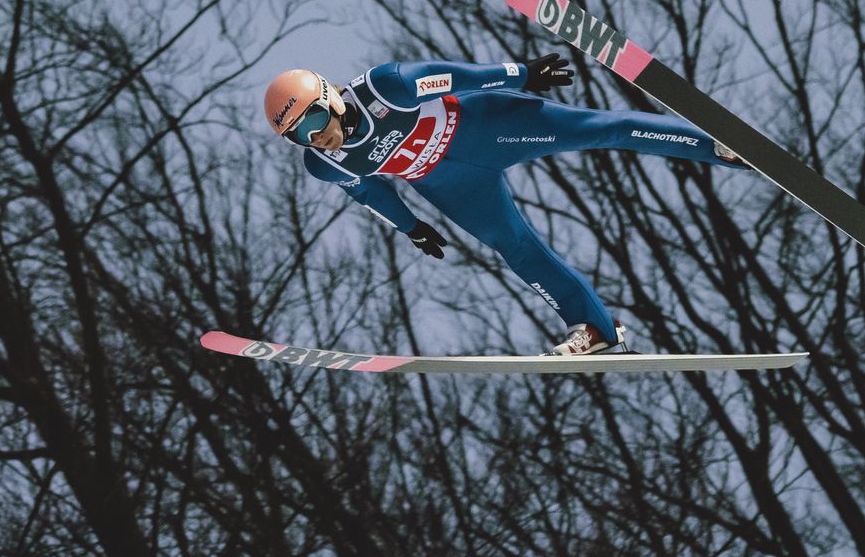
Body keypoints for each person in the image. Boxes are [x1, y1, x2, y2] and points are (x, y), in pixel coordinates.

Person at [263, 55, 747, 355]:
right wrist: (410, 227)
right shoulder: (325, 164)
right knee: (515, 247)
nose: (316, 136)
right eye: (299, 136)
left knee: (604, 129)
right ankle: (598, 331)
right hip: (450, 184)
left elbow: (456, 77)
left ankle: (717, 146)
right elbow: (369, 192)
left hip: (487, 127)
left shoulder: (386, 87)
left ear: (330, 97)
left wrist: (524, 73)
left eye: (315, 120)